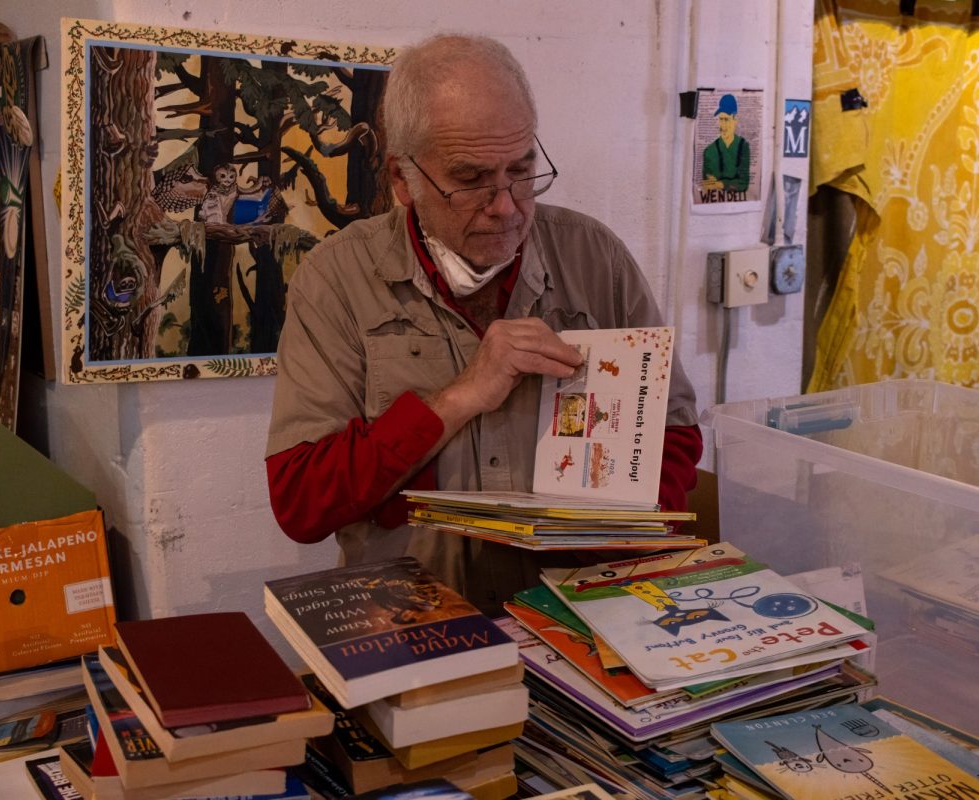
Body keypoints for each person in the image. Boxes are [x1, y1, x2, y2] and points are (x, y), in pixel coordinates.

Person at [265, 34, 702, 615]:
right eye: (471, 179)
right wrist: (458, 398)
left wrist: (606, 537)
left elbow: (676, 435)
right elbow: (301, 503)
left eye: (522, 170)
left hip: (583, 614)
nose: (506, 205)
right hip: (417, 628)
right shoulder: (336, 281)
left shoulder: (595, 259)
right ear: (402, 179)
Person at [701, 93, 750, 195]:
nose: (723, 125)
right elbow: (707, 184)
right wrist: (731, 183)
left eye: (726, 119)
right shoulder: (709, 151)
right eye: (721, 119)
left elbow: (744, 183)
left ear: (735, 120)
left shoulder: (743, 146)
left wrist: (720, 184)